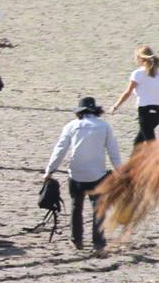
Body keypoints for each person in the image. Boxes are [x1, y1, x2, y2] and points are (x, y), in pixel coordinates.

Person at [44, 97, 122, 252]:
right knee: (98, 209)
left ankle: (77, 240)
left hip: (76, 173)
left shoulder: (71, 126)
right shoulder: (104, 126)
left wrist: (50, 170)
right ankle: (98, 244)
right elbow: (113, 152)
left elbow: (60, 150)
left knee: (76, 207)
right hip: (98, 174)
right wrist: (119, 171)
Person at [110, 45, 159, 144]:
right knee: (138, 142)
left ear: (140, 58)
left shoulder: (138, 73)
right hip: (157, 111)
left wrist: (115, 106)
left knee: (150, 143)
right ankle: (134, 160)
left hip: (145, 111)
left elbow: (128, 93)